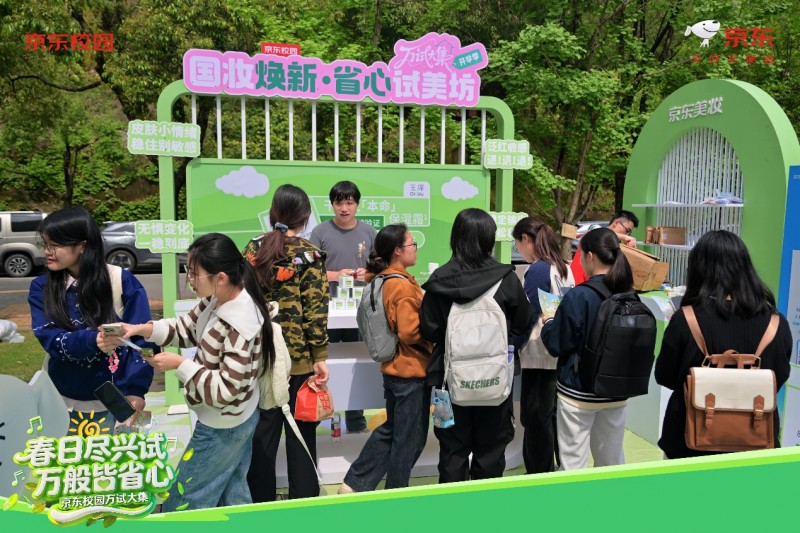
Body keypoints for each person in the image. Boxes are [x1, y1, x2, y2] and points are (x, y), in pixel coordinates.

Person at [120, 233, 274, 512]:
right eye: (187, 270)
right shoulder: (216, 299)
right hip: (232, 418)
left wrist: (180, 365)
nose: (189, 279)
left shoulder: (239, 323)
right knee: (232, 496)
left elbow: (226, 390)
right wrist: (142, 329)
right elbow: (185, 328)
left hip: (224, 423)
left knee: (185, 496)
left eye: (194, 273)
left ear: (221, 277)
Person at [655, 230, 792, 459]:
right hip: (755, 440)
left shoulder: (686, 319)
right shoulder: (776, 323)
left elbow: (665, 376)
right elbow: (779, 377)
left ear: (698, 269)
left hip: (688, 441)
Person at [420, 208, 532, 483]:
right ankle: (485, 505)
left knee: (452, 450)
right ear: (489, 239)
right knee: (491, 449)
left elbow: (430, 329)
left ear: (455, 238)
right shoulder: (506, 278)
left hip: (449, 380)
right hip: (496, 380)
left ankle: (453, 503)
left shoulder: (439, 281)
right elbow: (523, 322)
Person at [28, 207, 154, 434]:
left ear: (83, 246)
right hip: (60, 400)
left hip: (117, 402)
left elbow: (143, 339)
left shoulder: (121, 280)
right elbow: (49, 338)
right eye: (44, 244)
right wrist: (92, 340)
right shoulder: (41, 287)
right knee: (66, 457)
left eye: (55, 245)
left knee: (117, 457)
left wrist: (137, 390)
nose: (47, 251)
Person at [243, 184, 330, 501]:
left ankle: (260, 500)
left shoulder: (253, 250)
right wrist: (320, 356)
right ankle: (304, 499)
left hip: (260, 357)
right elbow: (315, 310)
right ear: (305, 217)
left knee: (262, 432)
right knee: (302, 432)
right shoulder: (310, 254)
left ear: (273, 212)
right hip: (299, 361)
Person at [338, 224, 433, 493]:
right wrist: (434, 332)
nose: (415, 249)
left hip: (394, 368)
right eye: (412, 244)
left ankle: (354, 484)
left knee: (394, 431)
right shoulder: (401, 286)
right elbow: (410, 332)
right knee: (408, 439)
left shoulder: (382, 280)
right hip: (410, 369)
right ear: (398, 251)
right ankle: (395, 492)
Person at [541, 227, 633, 470]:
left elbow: (556, 344)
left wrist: (548, 322)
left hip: (579, 393)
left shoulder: (579, 296)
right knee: (611, 462)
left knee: (573, 463)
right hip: (616, 391)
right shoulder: (628, 294)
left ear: (590, 256)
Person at [310, 180, 377, 434]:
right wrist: (336, 275)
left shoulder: (369, 232)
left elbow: (380, 269)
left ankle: (356, 419)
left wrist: (366, 274)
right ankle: (321, 416)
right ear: (332, 204)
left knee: (355, 364)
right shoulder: (320, 232)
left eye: (349, 202)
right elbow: (311, 271)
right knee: (324, 363)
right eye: (339, 203)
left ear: (357, 204)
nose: (344, 208)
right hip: (326, 310)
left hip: (358, 311)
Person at [511, 217, 574, 474]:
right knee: (552, 417)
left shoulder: (538, 269)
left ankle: (539, 474)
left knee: (536, 419)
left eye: (517, 244)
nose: (519, 250)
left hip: (539, 352)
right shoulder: (564, 268)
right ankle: (555, 469)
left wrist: (513, 345)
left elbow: (530, 312)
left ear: (526, 239)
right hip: (559, 351)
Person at [570, 210, 639, 285]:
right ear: (616, 223)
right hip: (577, 283)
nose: (627, 234)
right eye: (627, 230)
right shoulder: (594, 229)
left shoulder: (615, 247)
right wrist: (624, 237)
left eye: (629, 233)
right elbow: (599, 232)